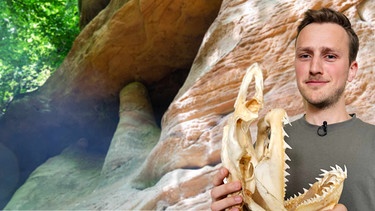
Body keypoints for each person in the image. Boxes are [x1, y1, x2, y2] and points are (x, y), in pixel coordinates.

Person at [210, 8, 375, 211]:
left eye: (330, 56)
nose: (315, 67)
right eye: (305, 55)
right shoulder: (264, 148)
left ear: (352, 70)